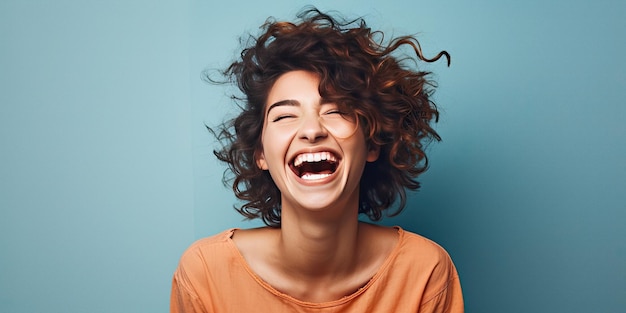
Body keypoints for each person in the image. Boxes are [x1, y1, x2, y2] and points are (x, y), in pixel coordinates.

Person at [171, 7, 463, 313]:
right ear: (261, 155)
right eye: (285, 115)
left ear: (372, 143)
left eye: (336, 111)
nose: (311, 130)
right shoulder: (205, 273)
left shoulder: (425, 272)